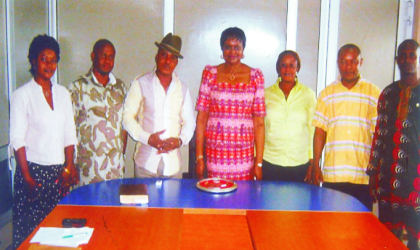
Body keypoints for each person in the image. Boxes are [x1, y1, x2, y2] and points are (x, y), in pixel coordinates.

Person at [9, 34, 78, 249]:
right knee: (32, 237)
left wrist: (68, 167)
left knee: (58, 235)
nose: (49, 65)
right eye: (43, 59)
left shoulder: (63, 93)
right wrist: (27, 178)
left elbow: (69, 133)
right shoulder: (22, 95)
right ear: (33, 61)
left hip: (58, 175)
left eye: (53, 59)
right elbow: (17, 139)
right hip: (32, 176)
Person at [310, 44, 381, 210]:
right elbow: (320, 131)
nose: (348, 67)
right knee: (332, 224)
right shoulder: (327, 94)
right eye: (344, 62)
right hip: (334, 173)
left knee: (361, 226)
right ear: (338, 63)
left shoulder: (373, 93)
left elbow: (378, 137)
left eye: (353, 61)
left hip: (362, 175)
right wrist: (315, 165)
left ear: (360, 62)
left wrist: (376, 172)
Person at [367, 39, 420, 250]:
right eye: (403, 55)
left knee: (415, 237)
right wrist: (373, 172)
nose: (407, 60)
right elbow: (379, 134)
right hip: (388, 176)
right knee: (389, 234)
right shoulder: (388, 94)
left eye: (412, 55)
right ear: (397, 59)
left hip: (416, 177)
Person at [195, 27, 266, 180]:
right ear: (222, 48)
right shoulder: (210, 74)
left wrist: (258, 163)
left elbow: (259, 123)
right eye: (228, 47)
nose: (232, 52)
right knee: (216, 199)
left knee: (242, 200)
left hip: (243, 156)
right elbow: (201, 118)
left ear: (243, 50)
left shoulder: (255, 77)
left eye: (237, 47)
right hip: (216, 154)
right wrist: (200, 157)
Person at [123, 33, 195, 178]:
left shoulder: (182, 89)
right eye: (164, 55)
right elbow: (127, 117)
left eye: (173, 58)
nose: (167, 61)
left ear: (176, 62)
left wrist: (179, 141)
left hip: (172, 167)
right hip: (145, 165)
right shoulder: (140, 83)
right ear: (157, 57)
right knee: (144, 202)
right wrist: (147, 138)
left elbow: (190, 122)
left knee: (172, 202)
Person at [68, 39, 127, 185]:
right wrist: (70, 165)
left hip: (115, 170)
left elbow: (124, 127)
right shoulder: (78, 88)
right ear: (93, 56)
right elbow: (68, 129)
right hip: (88, 171)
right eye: (103, 56)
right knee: (88, 208)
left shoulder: (120, 88)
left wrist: (121, 155)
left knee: (114, 207)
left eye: (111, 57)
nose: (107, 61)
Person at [263, 50, 316, 182]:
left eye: (292, 65)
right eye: (283, 65)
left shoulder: (308, 94)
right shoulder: (265, 94)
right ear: (278, 68)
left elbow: (312, 129)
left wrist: (312, 162)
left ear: (297, 68)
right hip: (270, 162)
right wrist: (256, 160)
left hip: (300, 164)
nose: (287, 69)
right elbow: (259, 128)